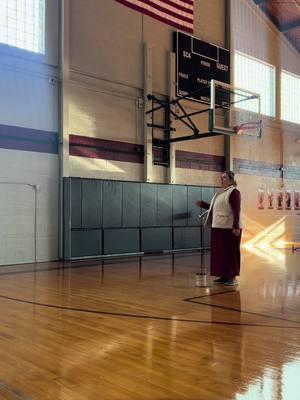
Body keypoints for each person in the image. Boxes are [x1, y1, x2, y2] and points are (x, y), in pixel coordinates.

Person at [196, 171, 242, 286]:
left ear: (231, 180)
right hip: (218, 227)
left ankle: (231, 277)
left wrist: (236, 226)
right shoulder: (220, 193)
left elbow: (237, 210)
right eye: (221, 178)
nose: (222, 179)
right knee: (220, 254)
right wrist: (203, 204)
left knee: (230, 253)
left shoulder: (234, 192)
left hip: (229, 228)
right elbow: (214, 208)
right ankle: (223, 275)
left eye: (224, 177)